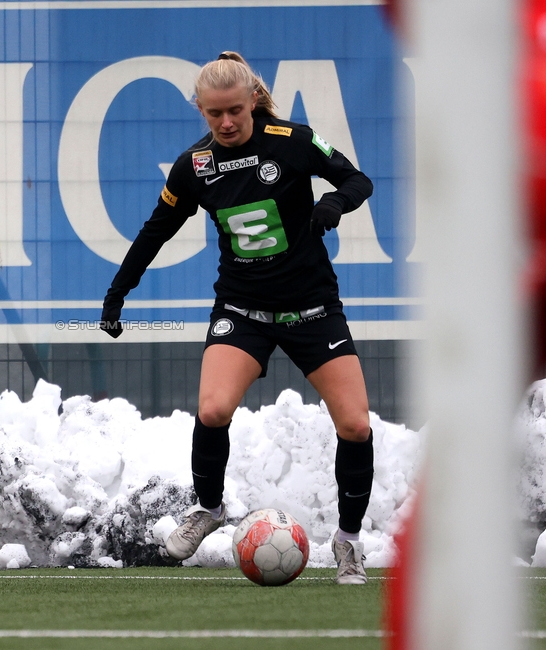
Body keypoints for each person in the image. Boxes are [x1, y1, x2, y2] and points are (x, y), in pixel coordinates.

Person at [100, 52, 375, 585]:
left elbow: (358, 180)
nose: (225, 123)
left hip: (313, 308)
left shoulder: (292, 141)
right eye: (213, 114)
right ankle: (208, 508)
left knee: (356, 426)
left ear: (252, 101)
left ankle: (349, 541)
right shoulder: (195, 166)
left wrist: (334, 205)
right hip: (241, 310)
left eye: (233, 111)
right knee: (212, 409)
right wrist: (117, 293)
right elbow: (156, 231)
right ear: (200, 110)